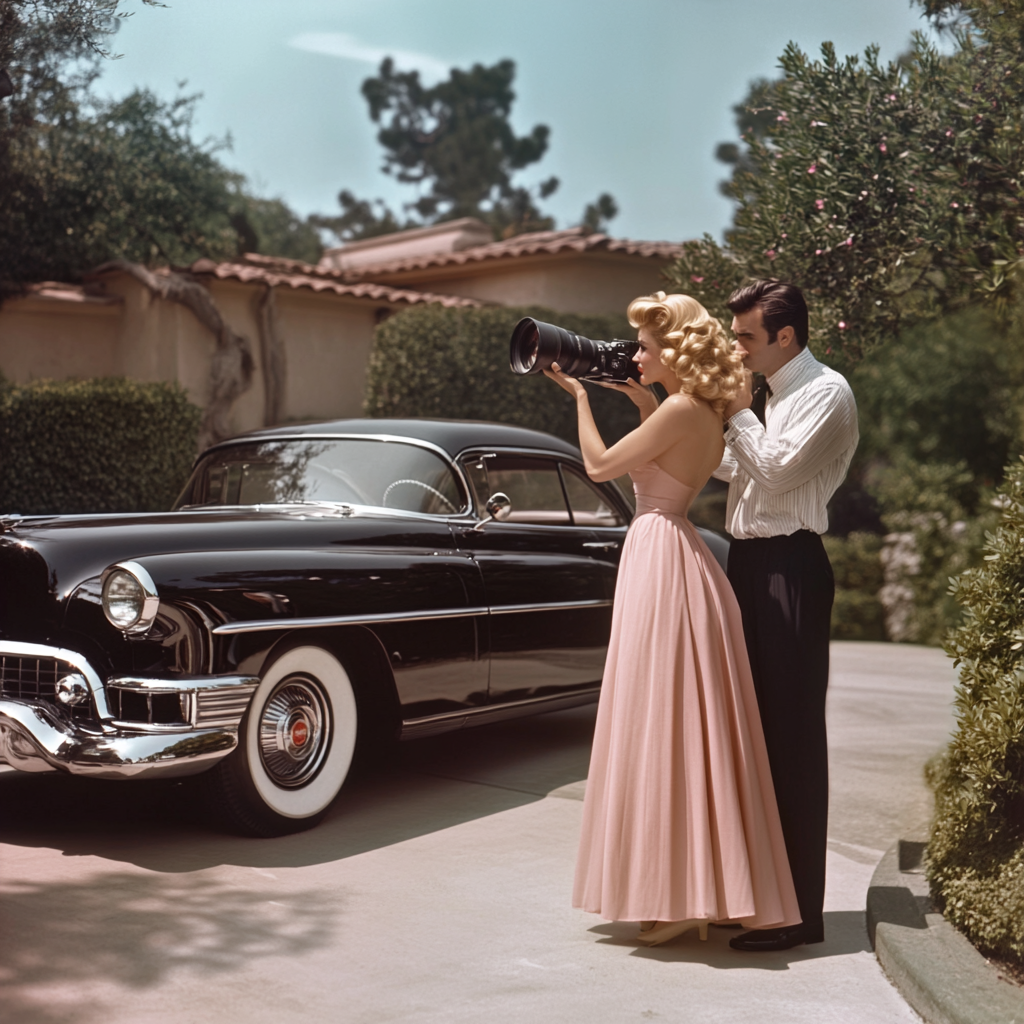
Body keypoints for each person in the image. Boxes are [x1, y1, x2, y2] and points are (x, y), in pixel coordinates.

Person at [545, 291, 802, 947]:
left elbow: (602, 466)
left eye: (645, 347)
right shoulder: (700, 412)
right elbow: (669, 458)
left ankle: (676, 897)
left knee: (661, 724)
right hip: (678, 553)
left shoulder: (685, 410)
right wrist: (638, 403)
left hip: (659, 555)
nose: (635, 355)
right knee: (679, 728)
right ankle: (683, 891)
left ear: (674, 351)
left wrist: (578, 401)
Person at [714, 279, 859, 952]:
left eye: (745, 336)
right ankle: (754, 898)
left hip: (791, 570)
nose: (735, 346)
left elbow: (773, 474)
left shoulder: (827, 393)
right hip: (746, 565)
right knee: (747, 734)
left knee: (792, 739)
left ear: (785, 337)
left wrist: (738, 412)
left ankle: (799, 914)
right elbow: (734, 470)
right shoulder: (769, 398)